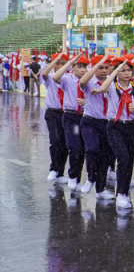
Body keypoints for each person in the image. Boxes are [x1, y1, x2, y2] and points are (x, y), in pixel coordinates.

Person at [98, 54, 134, 210]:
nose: (126, 73)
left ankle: (124, 189)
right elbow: (102, 88)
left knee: (129, 160)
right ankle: (121, 195)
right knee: (122, 158)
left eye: (128, 70)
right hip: (115, 125)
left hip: (131, 126)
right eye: (122, 70)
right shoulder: (112, 87)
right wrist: (114, 73)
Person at [78, 55, 115, 200]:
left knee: (105, 156)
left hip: (107, 123)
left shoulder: (112, 83)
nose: (104, 70)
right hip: (90, 121)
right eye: (101, 67)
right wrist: (96, 64)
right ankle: (90, 177)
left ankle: (101, 188)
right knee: (92, 149)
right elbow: (82, 81)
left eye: (107, 67)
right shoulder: (89, 82)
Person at [52, 54, 91, 190]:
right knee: (75, 147)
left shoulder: (89, 81)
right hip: (71, 117)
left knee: (83, 149)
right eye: (79, 66)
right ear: (73, 67)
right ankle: (72, 176)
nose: (82, 70)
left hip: (85, 117)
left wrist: (86, 103)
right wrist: (69, 63)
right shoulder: (67, 80)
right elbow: (55, 77)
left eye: (85, 67)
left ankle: (77, 177)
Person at [41, 53, 69, 183]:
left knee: (65, 143)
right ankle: (53, 168)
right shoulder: (51, 77)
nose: (60, 66)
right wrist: (55, 61)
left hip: (67, 114)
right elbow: (45, 73)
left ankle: (60, 172)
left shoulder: (70, 79)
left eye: (63, 63)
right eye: (58, 63)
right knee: (56, 140)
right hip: (53, 113)